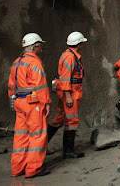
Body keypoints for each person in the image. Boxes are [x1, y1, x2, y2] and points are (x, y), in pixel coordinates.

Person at [8, 33, 51, 178]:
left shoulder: (16, 62)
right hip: (32, 103)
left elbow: (11, 86)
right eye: (40, 46)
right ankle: (34, 169)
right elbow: (40, 85)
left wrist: (13, 102)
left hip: (19, 103)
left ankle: (17, 169)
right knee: (37, 135)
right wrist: (46, 103)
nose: (41, 49)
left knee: (21, 136)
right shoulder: (34, 62)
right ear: (35, 47)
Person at [47, 31, 87, 159]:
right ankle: (68, 150)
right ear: (79, 44)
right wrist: (68, 95)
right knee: (72, 120)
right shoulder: (70, 57)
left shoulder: (69, 55)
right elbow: (65, 77)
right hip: (70, 91)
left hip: (70, 90)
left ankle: (41, 147)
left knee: (58, 119)